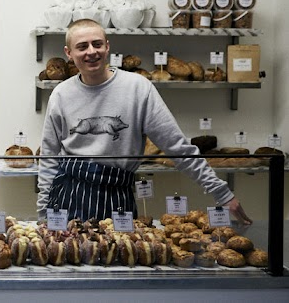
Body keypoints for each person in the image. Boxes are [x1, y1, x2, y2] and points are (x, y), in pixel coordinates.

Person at [37, 18, 251, 224]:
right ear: (69, 53)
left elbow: (176, 145)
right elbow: (48, 158)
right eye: (82, 46)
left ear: (107, 46)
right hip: (69, 196)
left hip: (116, 197)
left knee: (122, 258)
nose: (91, 51)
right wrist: (43, 213)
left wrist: (221, 192)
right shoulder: (61, 94)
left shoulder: (138, 88)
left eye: (97, 44)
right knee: (68, 257)